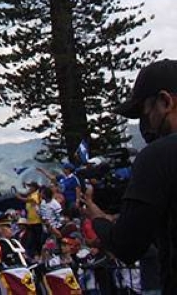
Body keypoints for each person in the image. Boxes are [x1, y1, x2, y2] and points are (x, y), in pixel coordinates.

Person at [81, 58, 177, 293]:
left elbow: (127, 246)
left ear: (165, 101)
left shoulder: (159, 155)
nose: (145, 126)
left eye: (145, 113)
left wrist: (98, 217)